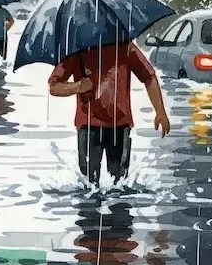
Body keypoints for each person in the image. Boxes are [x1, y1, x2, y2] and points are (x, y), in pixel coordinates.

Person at [48, 41, 171, 185]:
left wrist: (160, 112)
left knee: (119, 185)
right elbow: (54, 87)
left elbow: (148, 76)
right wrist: (78, 87)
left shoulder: (125, 46)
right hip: (89, 126)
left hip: (119, 125)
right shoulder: (78, 50)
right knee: (89, 185)